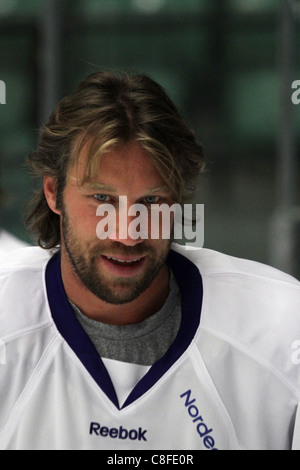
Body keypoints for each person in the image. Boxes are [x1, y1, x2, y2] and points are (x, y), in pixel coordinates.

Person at [0, 71, 300, 451]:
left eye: (151, 202)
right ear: (53, 193)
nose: (127, 233)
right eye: (102, 199)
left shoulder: (284, 327)